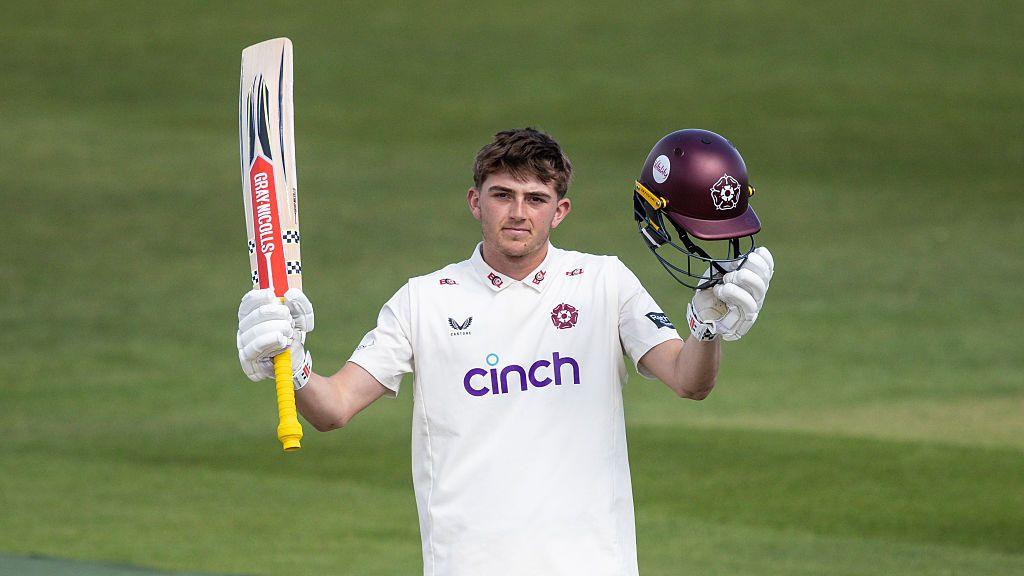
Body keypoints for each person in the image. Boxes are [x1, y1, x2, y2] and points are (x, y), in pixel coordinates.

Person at [236, 127, 773, 576]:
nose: (518, 213)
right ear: (476, 202)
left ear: (559, 211)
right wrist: (293, 362)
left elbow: (689, 380)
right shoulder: (423, 300)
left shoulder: (604, 282)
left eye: (536, 199)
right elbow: (332, 408)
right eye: (502, 195)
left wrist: (708, 327)